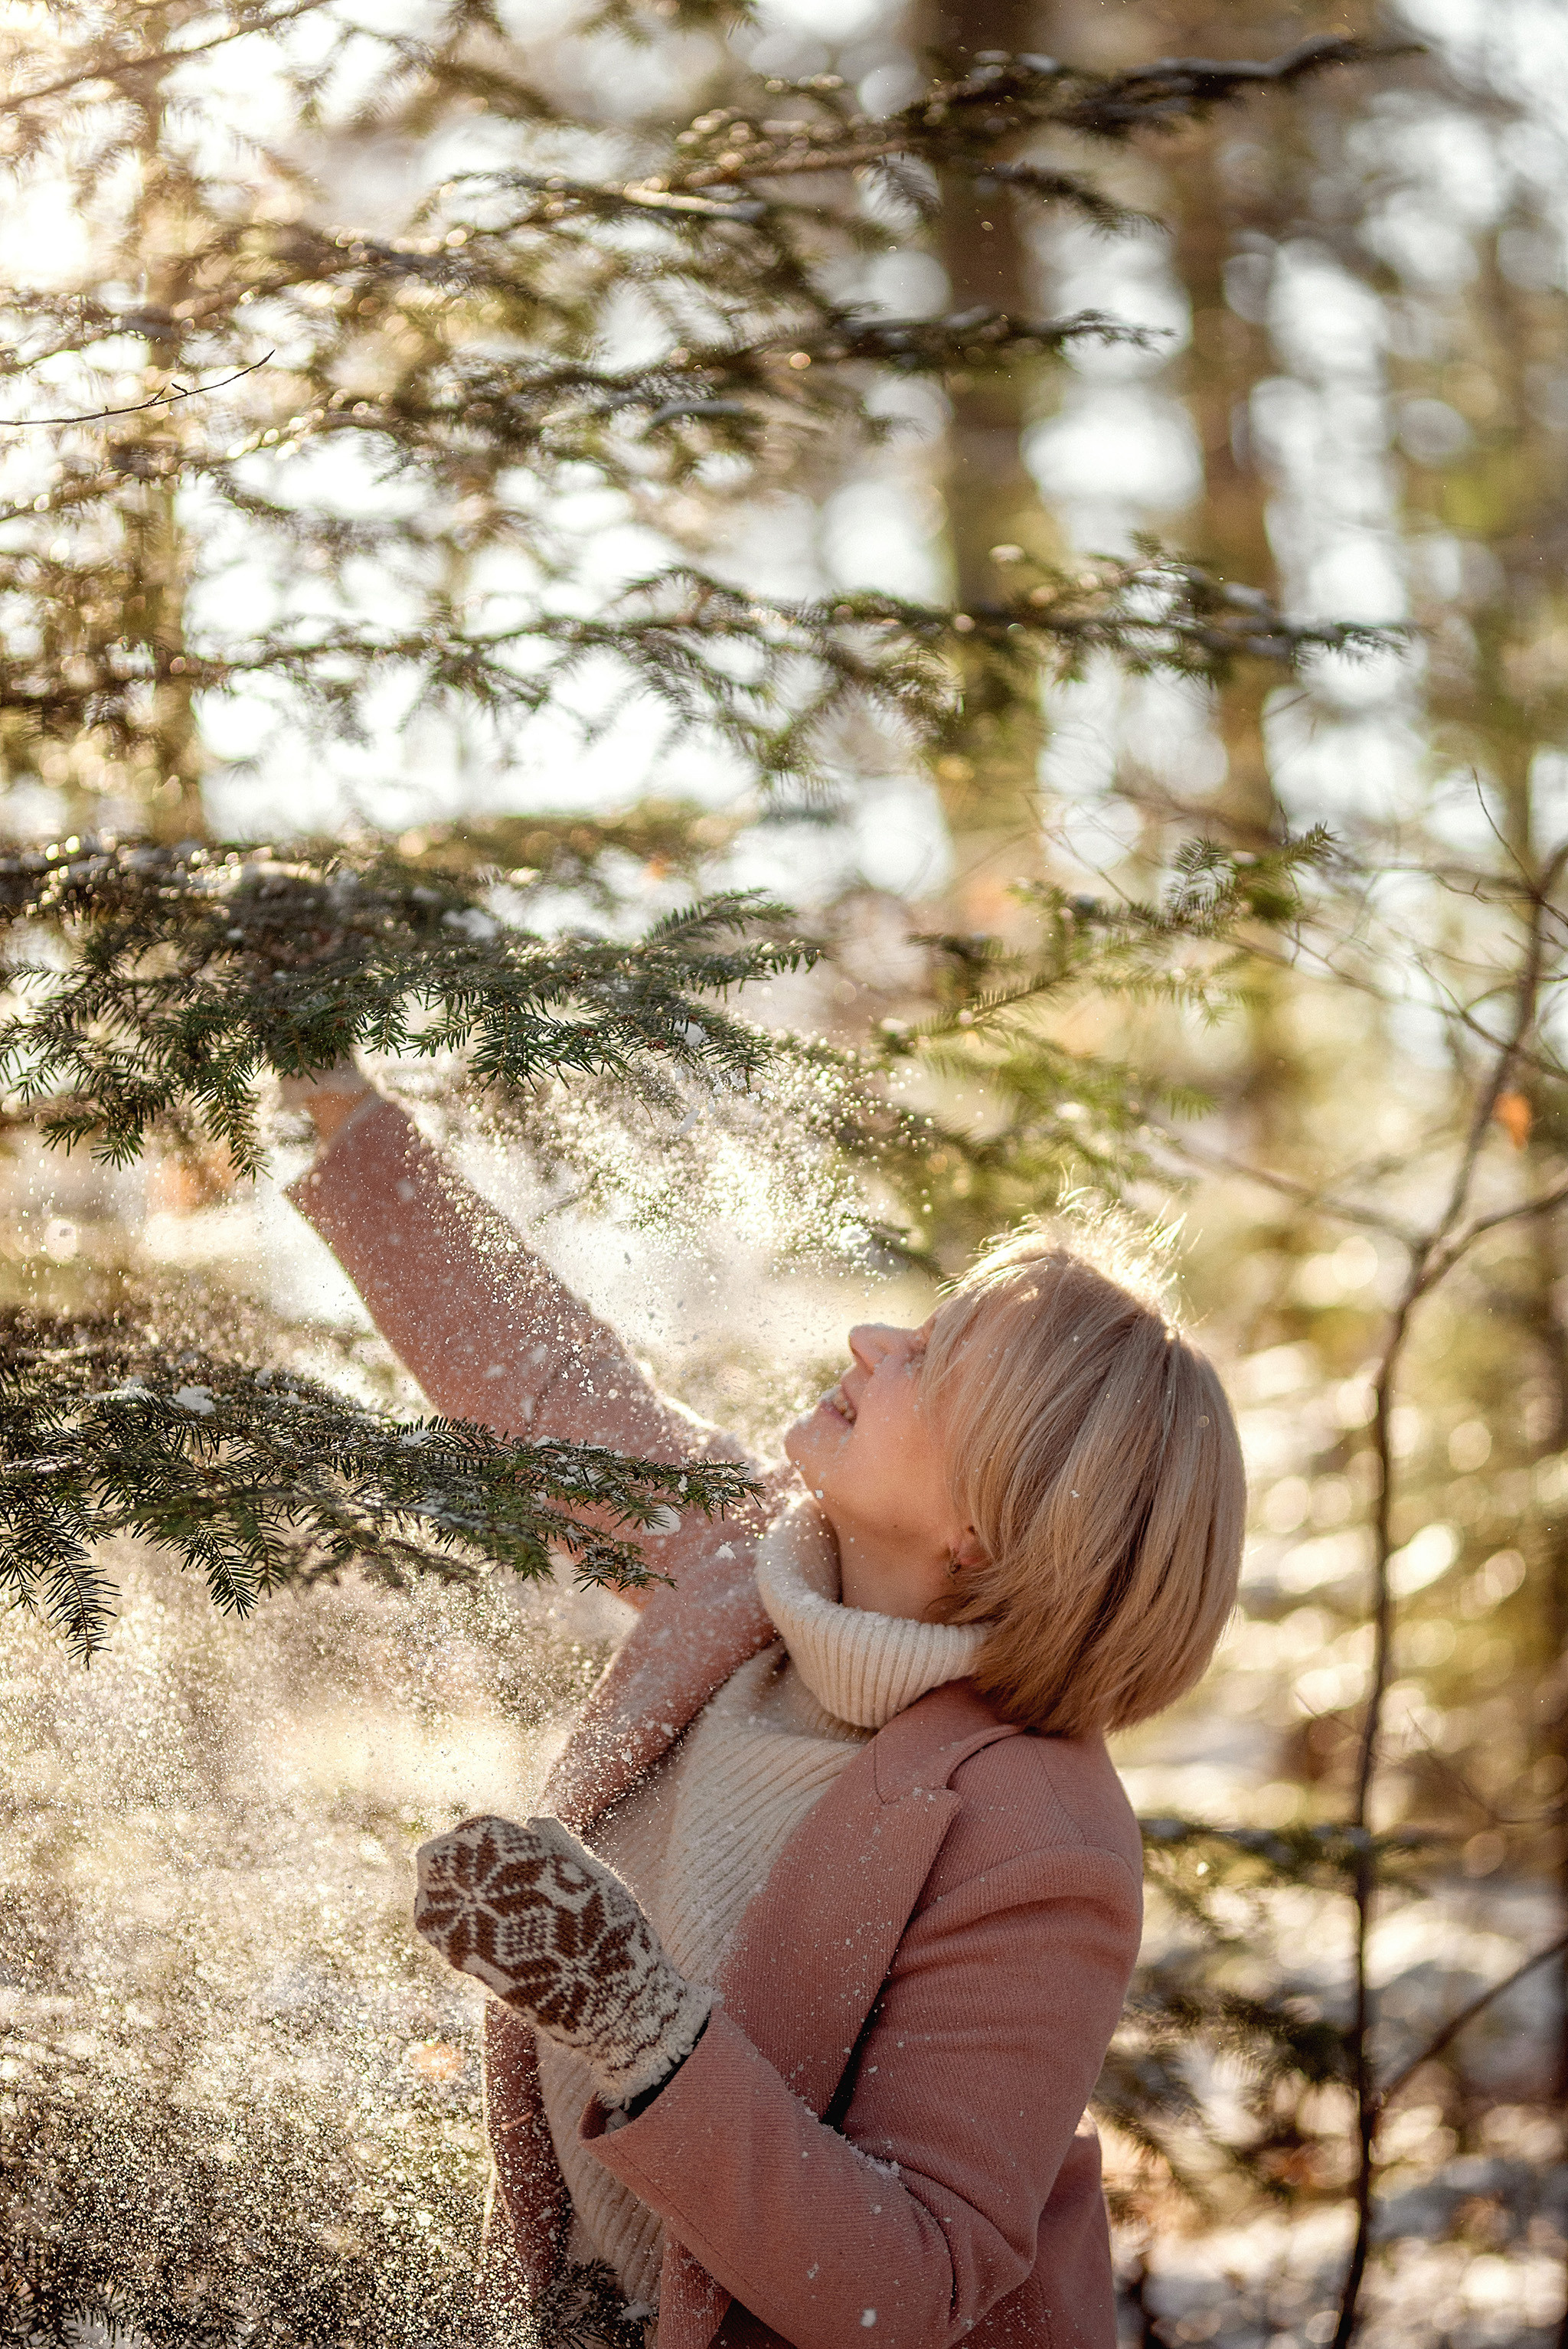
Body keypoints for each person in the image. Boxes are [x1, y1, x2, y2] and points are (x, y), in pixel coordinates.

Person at [283, 1064, 1246, 2349]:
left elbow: (905, 2285)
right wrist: (340, 1105)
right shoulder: (745, 1572)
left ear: (995, 1516)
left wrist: (633, 2015)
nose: (871, 1341)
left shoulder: (1038, 1838)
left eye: (936, 1354)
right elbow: (541, 1386)